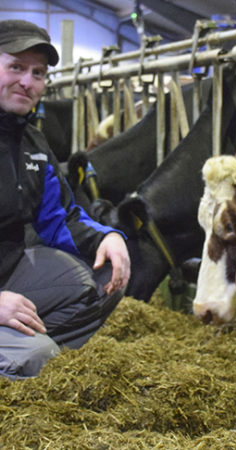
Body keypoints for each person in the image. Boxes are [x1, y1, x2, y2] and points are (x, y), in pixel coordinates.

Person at [0, 19, 131, 379]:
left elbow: (60, 217)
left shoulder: (32, 143)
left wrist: (108, 236)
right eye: (16, 67)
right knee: (34, 358)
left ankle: (23, 347)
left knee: (107, 274)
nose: (28, 82)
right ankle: (26, 356)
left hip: (7, 274)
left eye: (38, 73)